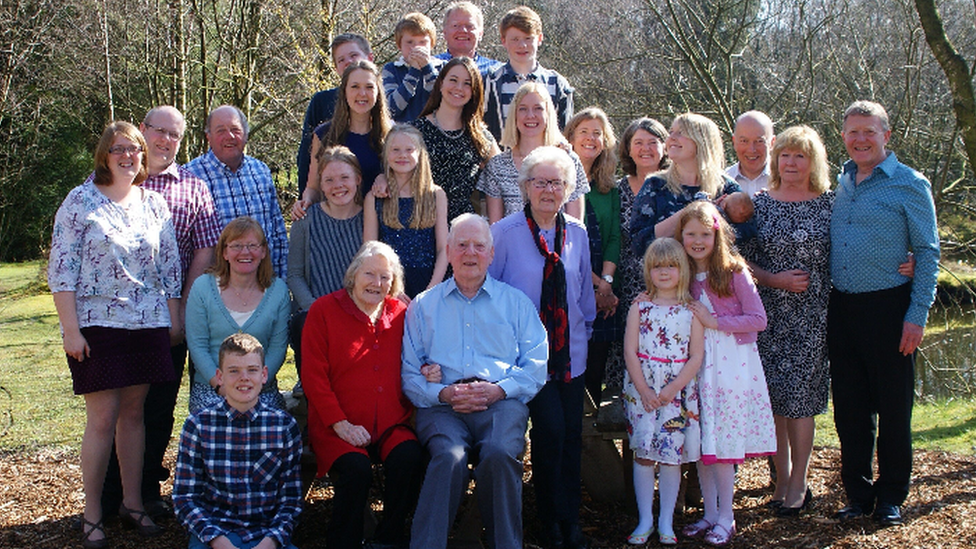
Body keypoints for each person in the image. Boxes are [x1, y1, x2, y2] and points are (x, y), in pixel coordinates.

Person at [49, 121, 181, 548]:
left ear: (144, 157)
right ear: (104, 155)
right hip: (97, 325)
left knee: (134, 415)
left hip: (146, 323)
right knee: (102, 419)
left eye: (135, 149)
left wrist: (173, 318)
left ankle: (132, 503)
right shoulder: (80, 201)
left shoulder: (155, 204)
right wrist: (71, 329)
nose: (128, 156)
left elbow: (170, 268)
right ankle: (92, 515)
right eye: (119, 149)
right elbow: (62, 270)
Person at [97, 106, 221, 521]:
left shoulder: (192, 186)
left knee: (157, 408)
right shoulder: (108, 181)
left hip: (167, 320)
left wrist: (183, 309)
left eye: (175, 135)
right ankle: (108, 496)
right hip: (112, 322)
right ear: (143, 131)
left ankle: (146, 492)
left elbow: (204, 248)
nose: (166, 140)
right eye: (159, 131)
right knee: (111, 409)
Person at [402, 213, 548, 549]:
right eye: (462, 245)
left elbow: (536, 364)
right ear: (449, 251)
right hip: (442, 408)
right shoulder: (425, 306)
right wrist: (443, 393)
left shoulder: (515, 304)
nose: (471, 253)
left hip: (501, 404)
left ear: (491, 254)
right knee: (449, 457)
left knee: (498, 453)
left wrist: (499, 390)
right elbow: (410, 374)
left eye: (479, 246)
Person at [828, 101, 939, 526]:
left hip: (891, 307)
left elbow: (927, 252)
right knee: (850, 410)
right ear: (843, 136)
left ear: (885, 136)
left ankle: (891, 495)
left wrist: (917, 314)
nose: (860, 139)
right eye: (853, 131)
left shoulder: (910, 184)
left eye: (869, 132)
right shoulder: (840, 183)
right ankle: (857, 494)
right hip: (843, 308)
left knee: (894, 410)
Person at [488, 146, 597, 549]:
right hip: (524, 359)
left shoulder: (578, 233)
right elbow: (490, 296)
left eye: (557, 182)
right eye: (541, 182)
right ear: (526, 187)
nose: (549, 190)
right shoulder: (504, 233)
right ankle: (547, 520)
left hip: (571, 353)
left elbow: (583, 294)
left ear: (567, 188)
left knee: (571, 435)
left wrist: (580, 338)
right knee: (549, 432)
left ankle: (570, 520)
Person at [302, 241, 424, 549]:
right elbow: (313, 378)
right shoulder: (324, 311)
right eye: (370, 274)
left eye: (385, 277)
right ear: (353, 275)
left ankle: (390, 538)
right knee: (356, 471)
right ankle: (343, 542)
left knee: (409, 459)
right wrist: (339, 424)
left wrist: (428, 370)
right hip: (337, 426)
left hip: (392, 422)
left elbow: (418, 356)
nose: (377, 283)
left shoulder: (402, 313)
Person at [675, 201, 775, 547]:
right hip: (697, 364)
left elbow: (758, 319)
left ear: (717, 235)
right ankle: (709, 513)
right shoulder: (681, 273)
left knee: (722, 441)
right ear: (682, 236)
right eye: (691, 234)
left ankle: (727, 516)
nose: (698, 241)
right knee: (704, 439)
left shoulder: (734, 271)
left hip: (730, 364)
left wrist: (715, 321)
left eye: (705, 234)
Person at [173, 333, 302, 549]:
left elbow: (291, 502)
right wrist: (217, 540)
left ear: (264, 375)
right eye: (233, 371)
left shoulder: (283, 426)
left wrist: (270, 542)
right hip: (215, 534)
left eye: (252, 370)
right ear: (220, 376)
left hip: (266, 535)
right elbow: (185, 498)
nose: (244, 378)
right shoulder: (198, 425)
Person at [622, 238, 704, 546]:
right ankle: (645, 519)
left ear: (682, 269)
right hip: (643, 390)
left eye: (671, 265)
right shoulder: (639, 306)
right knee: (644, 455)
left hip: (676, 392)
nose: (664, 272)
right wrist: (644, 389)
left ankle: (666, 520)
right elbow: (630, 350)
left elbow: (695, 356)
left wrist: (672, 389)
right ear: (648, 271)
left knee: (671, 457)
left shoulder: (691, 310)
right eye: (658, 267)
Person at [185, 217, 290, 412]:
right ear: (224, 252)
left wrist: (254, 385)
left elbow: (277, 348)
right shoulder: (202, 288)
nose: (245, 252)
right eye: (237, 246)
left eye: (252, 245)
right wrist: (222, 385)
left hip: (261, 389)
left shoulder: (278, 291)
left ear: (263, 251)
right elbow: (197, 345)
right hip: (213, 388)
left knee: (269, 423)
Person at [603, 118, 672, 394]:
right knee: (625, 349)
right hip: (624, 284)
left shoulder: (674, 187)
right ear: (628, 150)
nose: (645, 149)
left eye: (652, 142)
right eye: (638, 143)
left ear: (664, 147)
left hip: (666, 282)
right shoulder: (616, 190)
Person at [287, 146, 364, 379]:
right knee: (303, 324)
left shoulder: (369, 218)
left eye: (344, 178)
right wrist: (316, 309)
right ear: (320, 185)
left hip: (359, 310)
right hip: (316, 311)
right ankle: (311, 399)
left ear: (358, 180)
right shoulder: (305, 220)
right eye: (329, 180)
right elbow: (295, 275)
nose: (337, 185)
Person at [186, 105, 289, 278]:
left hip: (263, 284)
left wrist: (281, 282)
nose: (230, 136)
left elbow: (277, 232)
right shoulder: (189, 177)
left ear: (246, 135)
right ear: (208, 137)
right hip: (213, 289)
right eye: (221, 131)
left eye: (235, 129)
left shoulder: (260, 171)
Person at [564, 107, 621, 404]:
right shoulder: (558, 181)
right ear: (570, 137)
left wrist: (607, 283)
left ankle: (595, 443)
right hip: (573, 282)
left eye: (596, 133)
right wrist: (595, 284)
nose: (590, 138)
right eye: (583, 131)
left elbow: (614, 238)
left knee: (597, 366)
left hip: (606, 291)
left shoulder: (609, 189)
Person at [477, 82, 589, 223]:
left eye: (538, 109)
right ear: (514, 115)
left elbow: (575, 227)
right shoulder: (497, 166)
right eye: (523, 109)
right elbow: (496, 229)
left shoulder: (568, 161)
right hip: (512, 244)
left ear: (548, 114)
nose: (530, 115)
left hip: (557, 243)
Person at [630, 112, 741, 254]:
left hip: (715, 275)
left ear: (702, 140)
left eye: (681, 133)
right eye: (671, 132)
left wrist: (715, 216)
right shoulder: (655, 185)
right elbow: (638, 243)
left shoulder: (726, 188)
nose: (671, 138)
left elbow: (746, 235)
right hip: (669, 274)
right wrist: (692, 211)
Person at [294, 60, 392, 217]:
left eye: (369, 87)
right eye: (355, 87)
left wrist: (386, 178)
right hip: (338, 224)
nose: (362, 94)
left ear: (378, 92)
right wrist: (304, 202)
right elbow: (313, 187)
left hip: (381, 222)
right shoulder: (324, 134)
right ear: (344, 91)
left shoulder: (391, 136)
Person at [364, 124, 449, 298]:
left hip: (431, 282)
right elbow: (370, 250)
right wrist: (394, 290)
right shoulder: (375, 197)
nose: (402, 155)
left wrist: (431, 289)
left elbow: (443, 249)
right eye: (395, 149)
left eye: (409, 149)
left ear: (420, 153)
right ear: (386, 154)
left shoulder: (436, 195)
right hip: (389, 285)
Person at [413, 55, 500, 220]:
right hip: (422, 223)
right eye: (453, 80)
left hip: (463, 229)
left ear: (474, 91)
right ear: (441, 83)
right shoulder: (414, 131)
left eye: (467, 83)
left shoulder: (481, 137)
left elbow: (503, 173)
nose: (459, 88)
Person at [297, 33, 374, 197]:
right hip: (337, 210)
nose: (348, 62)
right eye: (341, 60)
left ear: (370, 58)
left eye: (353, 55)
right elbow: (307, 162)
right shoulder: (322, 104)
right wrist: (305, 200)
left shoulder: (387, 121)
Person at [483, 6, 574, 141]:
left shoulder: (557, 84)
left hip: (545, 160)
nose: (522, 45)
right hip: (502, 159)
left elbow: (566, 134)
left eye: (528, 38)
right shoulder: (490, 82)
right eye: (515, 39)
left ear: (540, 39)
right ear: (503, 41)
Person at [382, 12, 444, 122]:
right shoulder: (391, 69)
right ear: (399, 45)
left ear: (432, 44)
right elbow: (391, 109)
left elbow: (442, 101)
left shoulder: (443, 67)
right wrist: (413, 72)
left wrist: (427, 68)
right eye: (409, 42)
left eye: (423, 42)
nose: (416, 47)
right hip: (403, 133)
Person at [434, 2, 503, 76]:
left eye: (469, 26)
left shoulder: (496, 71)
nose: (463, 30)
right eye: (455, 25)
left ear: (480, 34)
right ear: (444, 32)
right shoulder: (431, 67)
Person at [727, 111, 774, 196]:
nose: (751, 149)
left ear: (772, 143)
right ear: (734, 142)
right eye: (744, 141)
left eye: (759, 141)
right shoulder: (722, 182)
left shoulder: (786, 181)